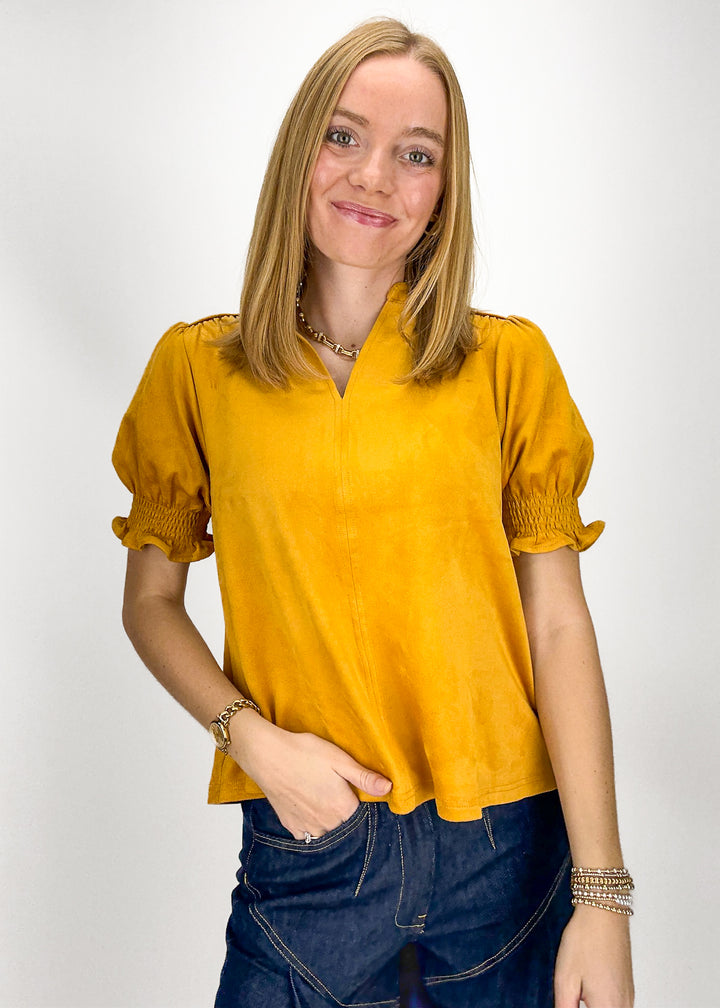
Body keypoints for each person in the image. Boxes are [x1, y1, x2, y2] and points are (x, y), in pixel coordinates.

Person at [112, 17, 634, 1008]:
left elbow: (559, 622)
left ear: (444, 190)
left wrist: (602, 895)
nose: (375, 177)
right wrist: (250, 739)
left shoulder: (508, 366)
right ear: (299, 150)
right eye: (344, 136)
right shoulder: (197, 371)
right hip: (309, 848)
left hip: (507, 855)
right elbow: (150, 601)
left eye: (416, 153)